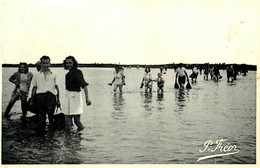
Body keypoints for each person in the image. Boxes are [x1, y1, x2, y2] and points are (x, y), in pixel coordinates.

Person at [30, 56, 60, 129]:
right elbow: (34, 88)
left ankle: (51, 136)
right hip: (40, 98)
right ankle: (42, 137)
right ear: (41, 64)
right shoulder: (36, 75)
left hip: (51, 97)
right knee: (41, 118)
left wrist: (58, 100)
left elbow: (57, 88)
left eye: (47, 63)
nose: (45, 65)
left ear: (50, 63)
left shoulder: (54, 74)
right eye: (43, 63)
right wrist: (32, 100)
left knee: (51, 117)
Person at [63, 56, 91, 134]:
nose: (68, 64)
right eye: (67, 63)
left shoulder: (78, 72)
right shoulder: (67, 75)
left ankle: (80, 137)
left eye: (70, 63)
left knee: (77, 121)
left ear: (74, 63)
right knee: (67, 121)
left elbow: (84, 86)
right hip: (67, 97)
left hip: (76, 97)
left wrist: (87, 98)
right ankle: (69, 140)